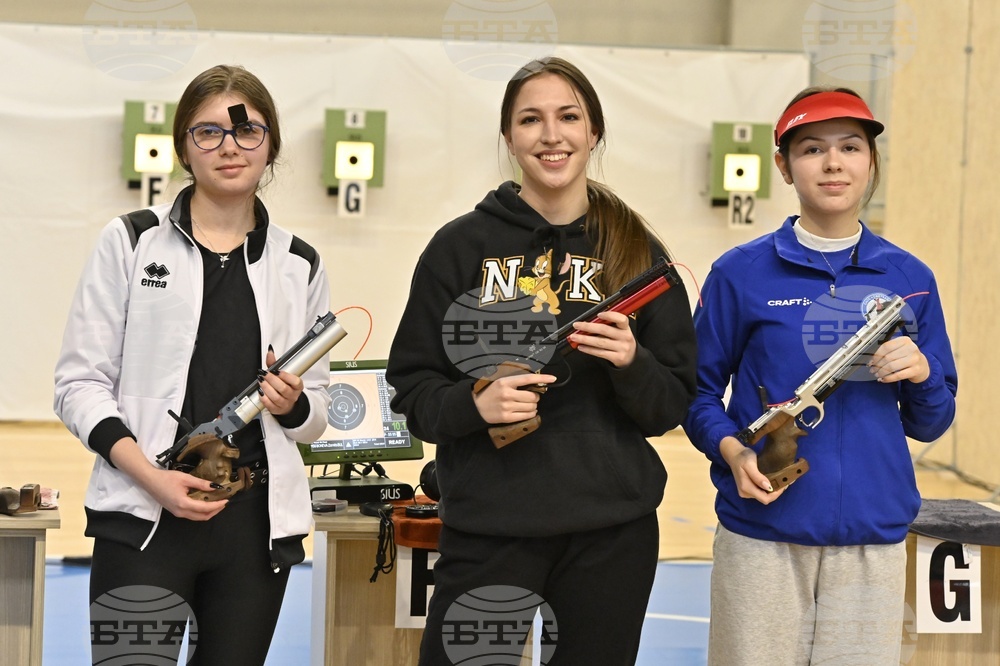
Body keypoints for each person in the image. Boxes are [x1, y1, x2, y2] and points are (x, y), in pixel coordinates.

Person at [386, 57, 697, 665]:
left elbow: (672, 406)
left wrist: (631, 362)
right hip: (488, 532)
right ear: (509, 137)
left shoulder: (636, 251)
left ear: (593, 133)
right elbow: (413, 391)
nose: (551, 135)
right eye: (531, 119)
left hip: (611, 534)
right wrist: (474, 404)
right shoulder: (459, 247)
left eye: (568, 117)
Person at [54, 64, 332, 665]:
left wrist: (296, 403)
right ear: (183, 145)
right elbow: (78, 385)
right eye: (208, 132)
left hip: (253, 531)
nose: (229, 146)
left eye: (246, 130)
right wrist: (151, 477)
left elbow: (318, 418)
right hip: (144, 515)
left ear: (271, 144)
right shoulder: (132, 241)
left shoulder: (299, 264)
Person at [684, 86, 958, 665]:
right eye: (812, 149)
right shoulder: (739, 275)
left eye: (851, 147)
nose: (833, 163)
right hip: (761, 537)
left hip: (871, 541)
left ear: (871, 163)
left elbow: (932, 423)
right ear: (783, 166)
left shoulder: (910, 278)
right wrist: (732, 451)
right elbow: (695, 392)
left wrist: (925, 374)